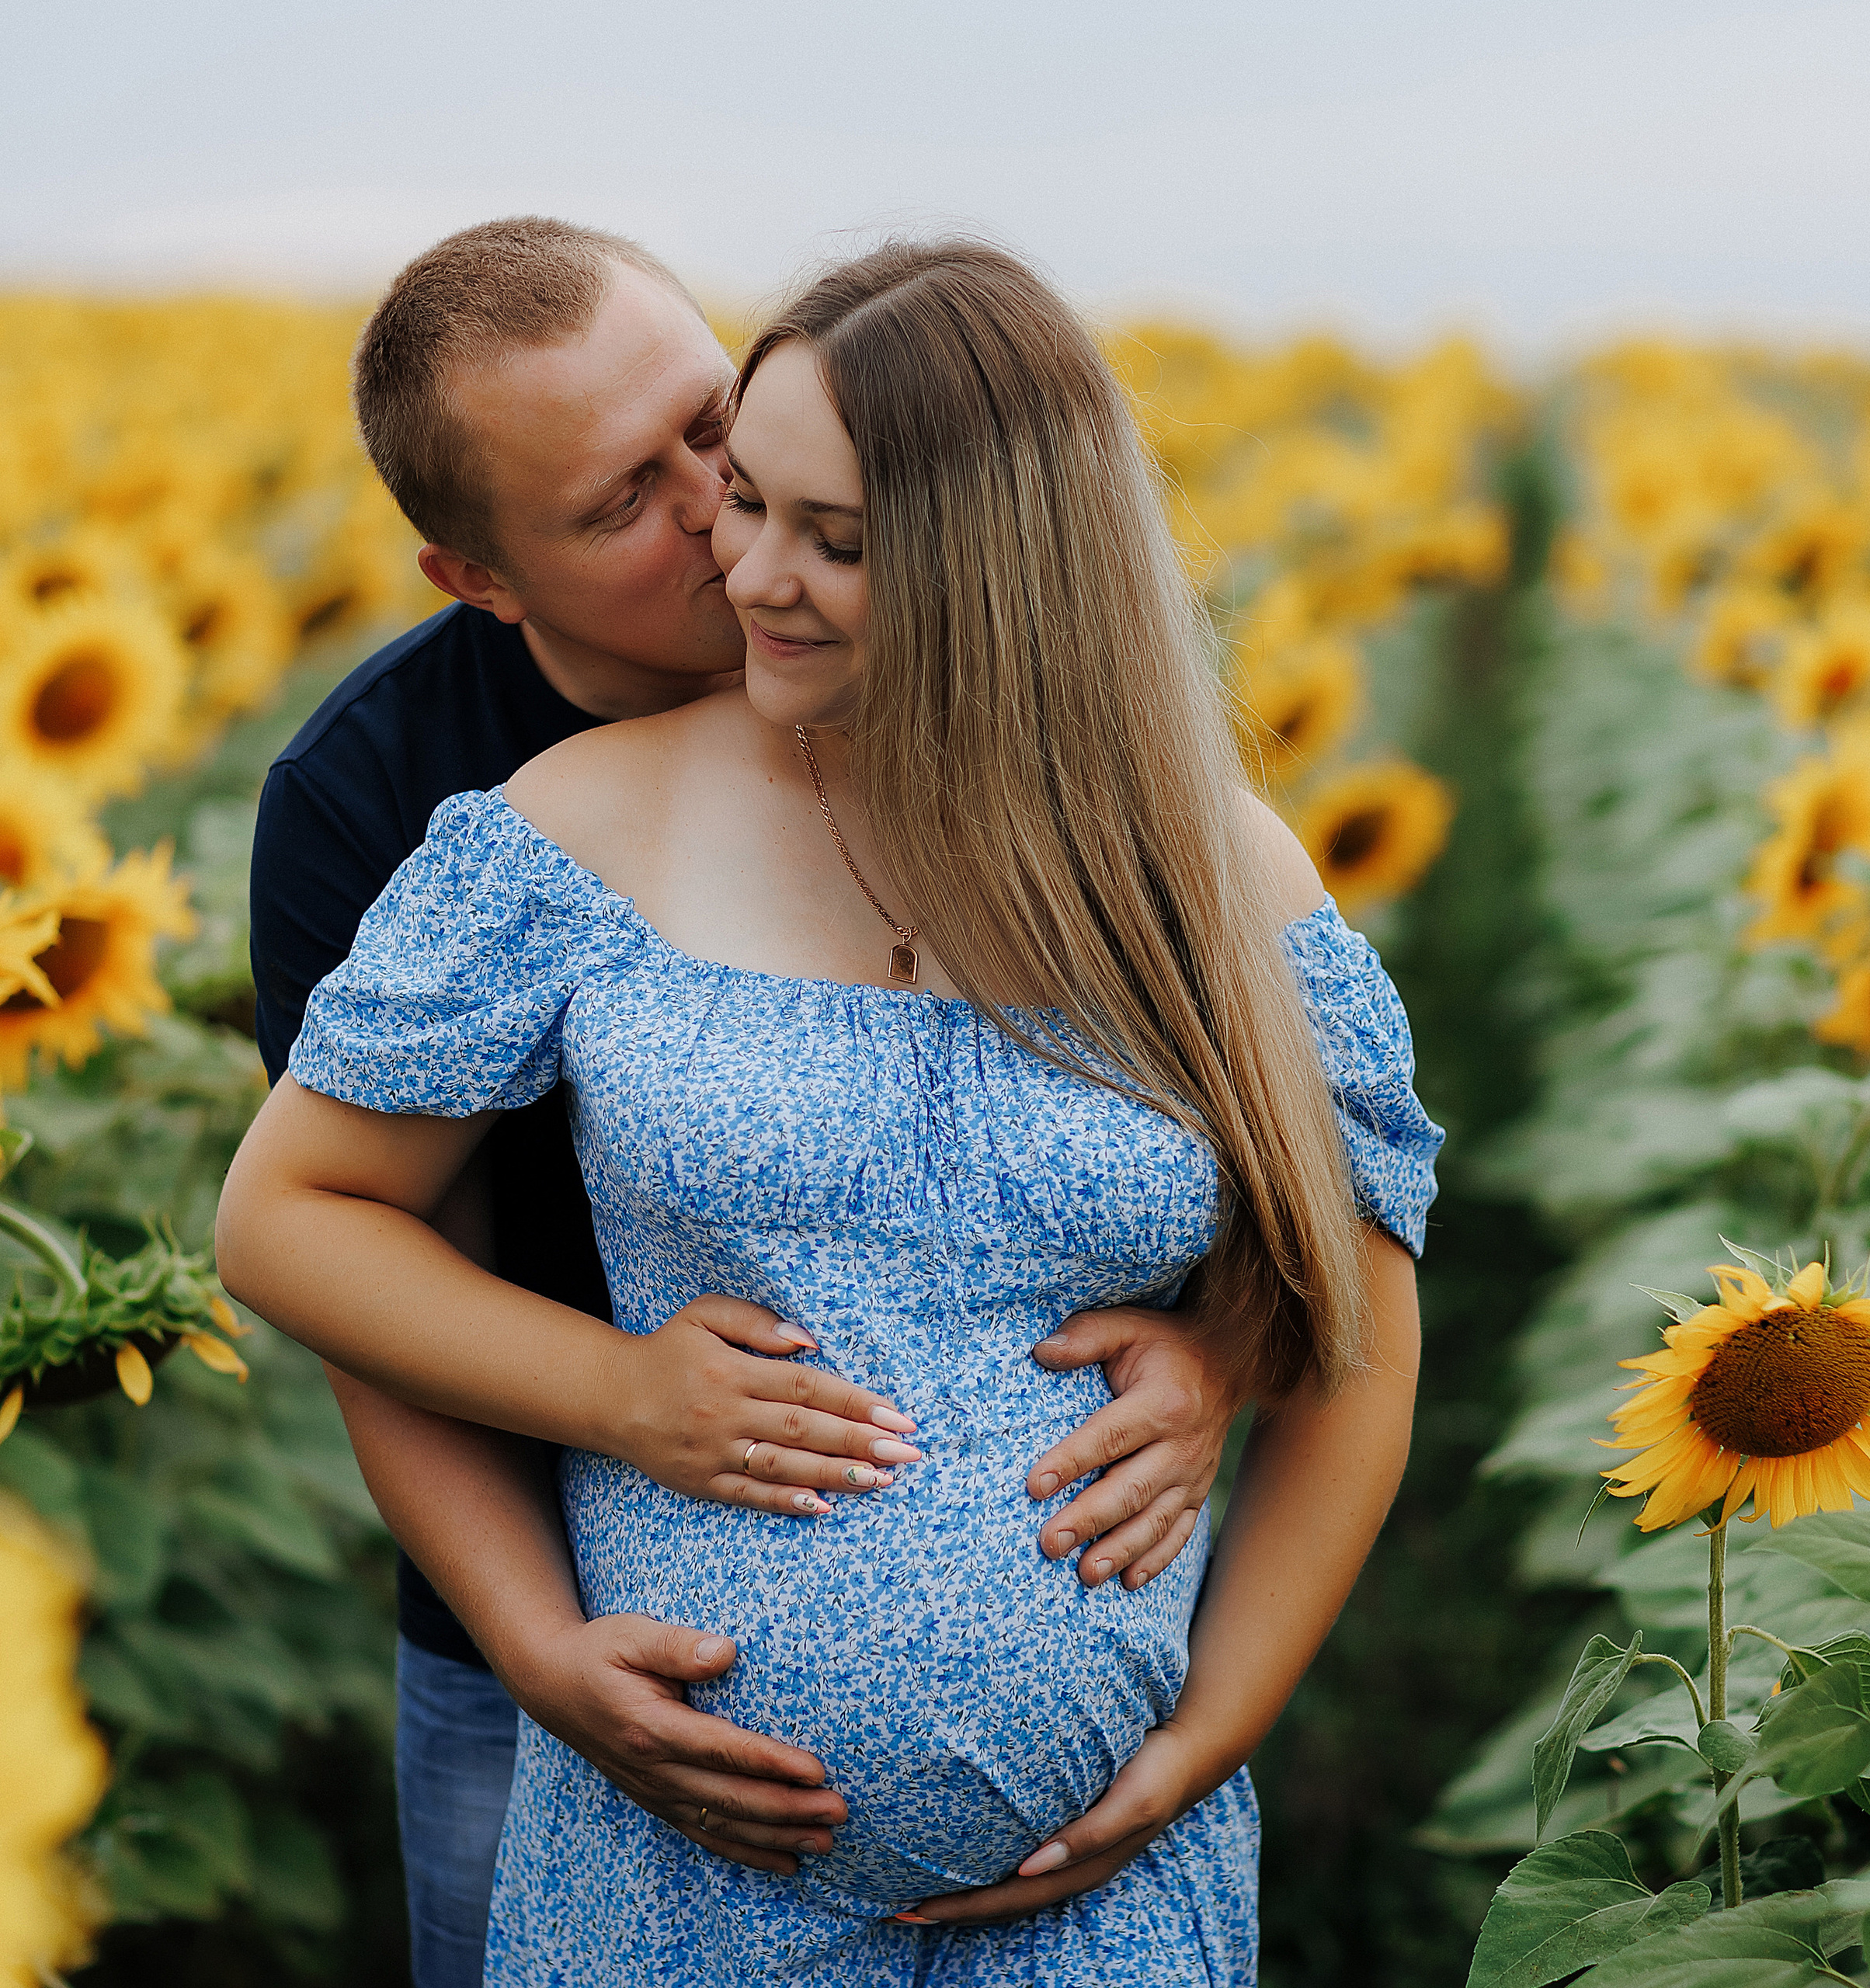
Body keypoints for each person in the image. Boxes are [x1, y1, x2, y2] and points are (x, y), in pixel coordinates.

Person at [220, 238, 1437, 1983]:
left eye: (730, 450)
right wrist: (576, 1524)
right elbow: (333, 1244)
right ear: (483, 574)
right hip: (614, 1768)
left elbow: (1353, 1283)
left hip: (1093, 1894)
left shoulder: (1193, 856)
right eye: (644, 501)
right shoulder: (447, 803)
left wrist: (1204, 1655)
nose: (732, 543)